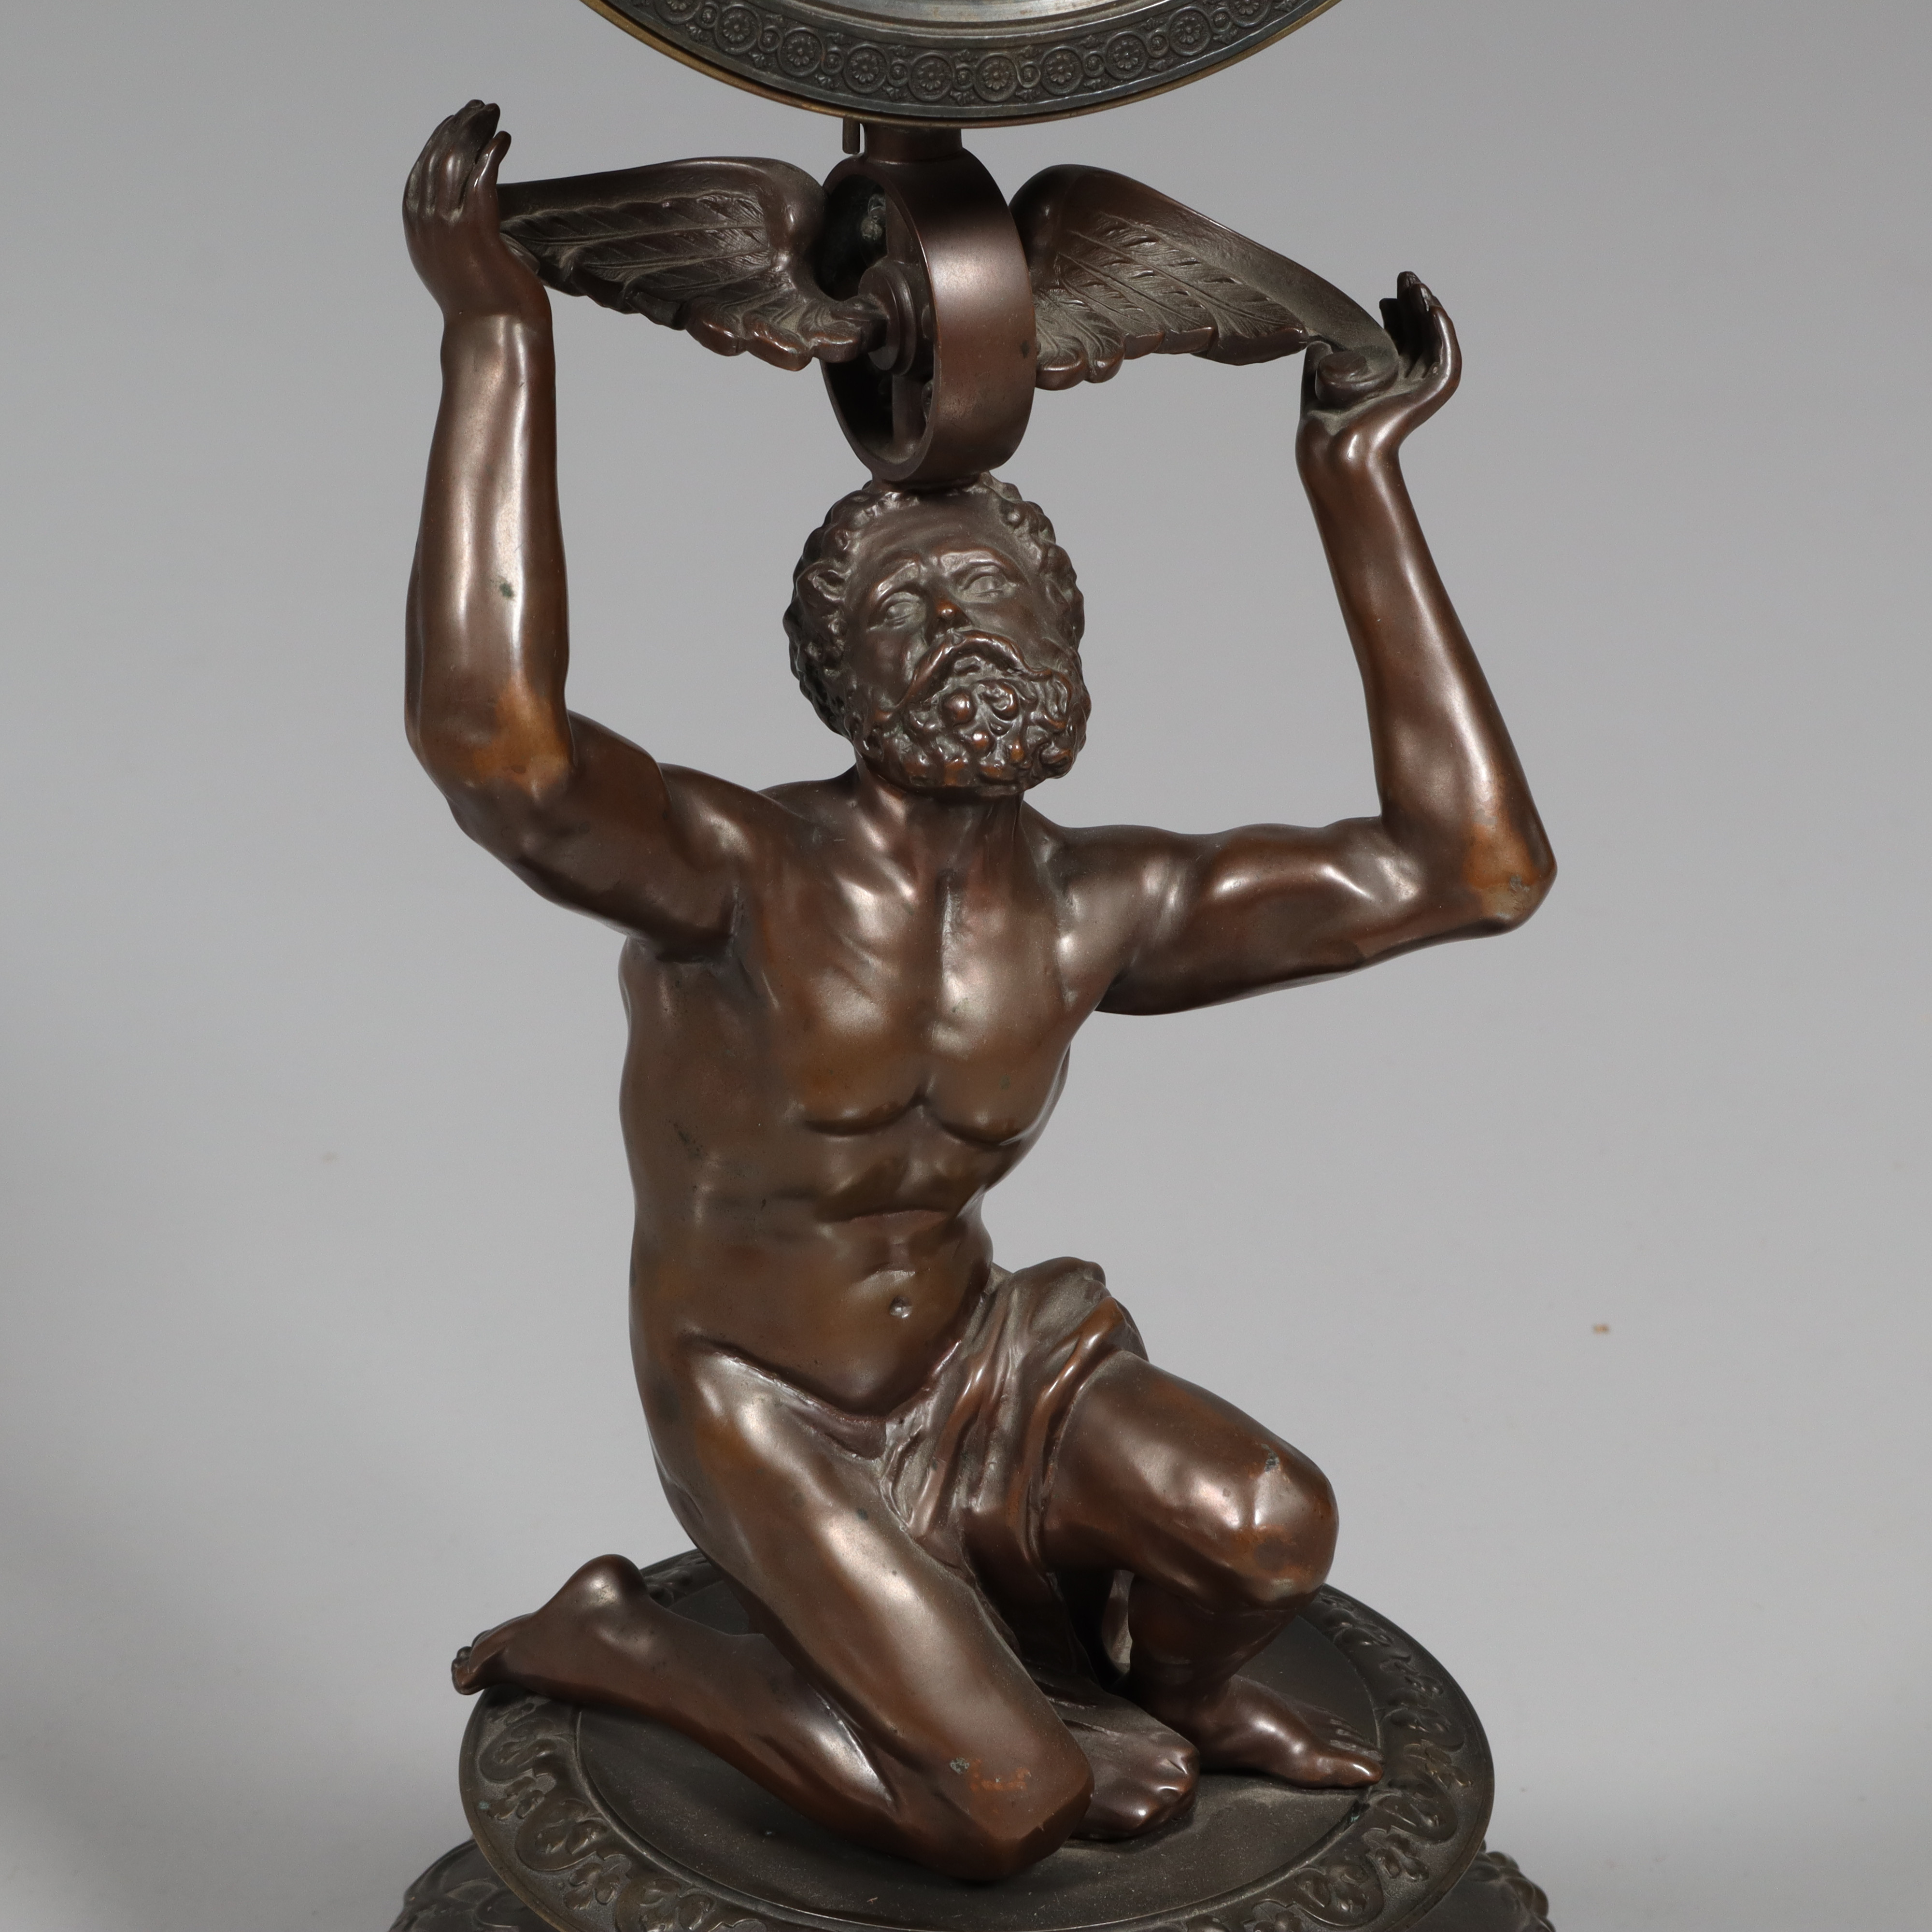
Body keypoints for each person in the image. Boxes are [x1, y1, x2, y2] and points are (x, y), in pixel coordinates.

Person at [402, 102, 1554, 1882]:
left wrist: (1358, 478)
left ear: (1071, 640)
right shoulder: (738, 874)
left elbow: (1469, 869)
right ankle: (632, 1642)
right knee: (1005, 1810)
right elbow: (498, 744)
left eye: (1005, 602)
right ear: (834, 676)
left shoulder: (1092, 903)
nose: (969, 636)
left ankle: (1166, 1684)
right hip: (765, 1407)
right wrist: (497, 335)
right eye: (914, 611)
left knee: (1268, 1525)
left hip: (980, 1370)